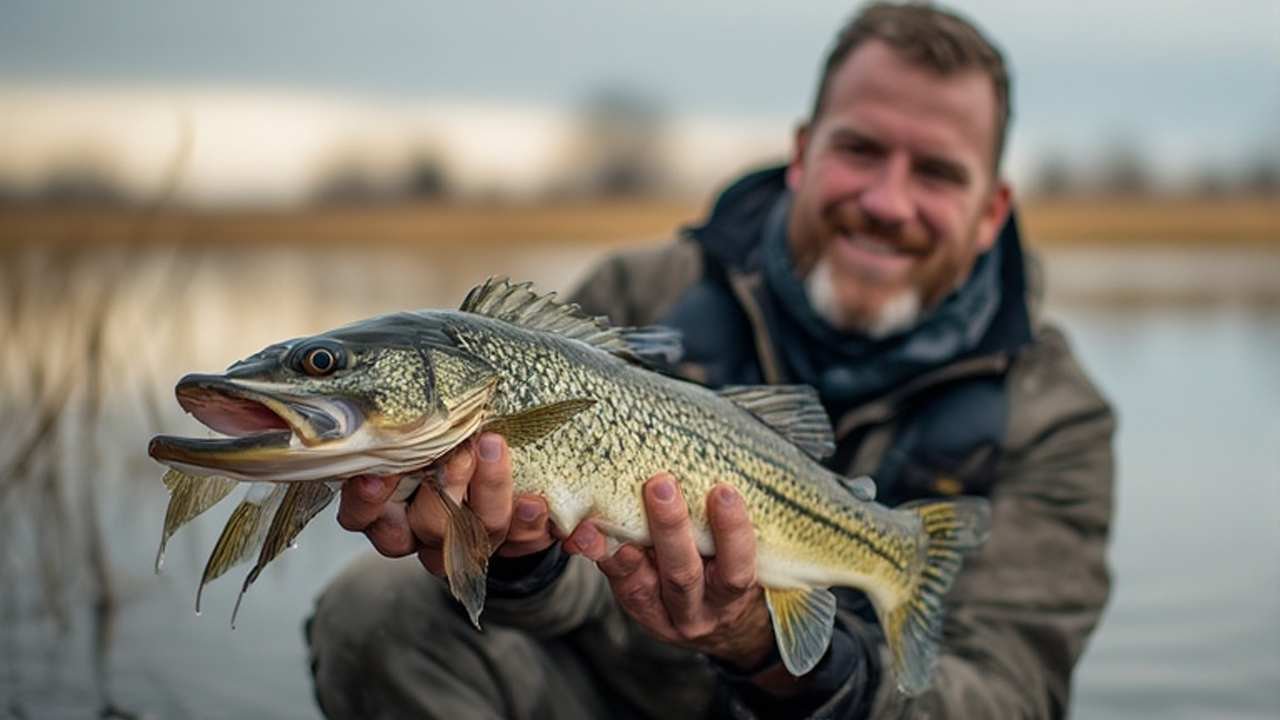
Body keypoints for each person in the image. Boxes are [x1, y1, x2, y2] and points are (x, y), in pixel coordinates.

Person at [305, 3, 1114, 718]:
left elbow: (1012, 697)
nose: (887, 201)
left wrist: (778, 653)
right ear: (802, 153)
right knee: (379, 612)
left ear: (991, 211)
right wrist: (522, 561)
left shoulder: (1056, 414)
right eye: (860, 149)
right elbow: (578, 586)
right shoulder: (636, 294)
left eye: (936, 172)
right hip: (618, 698)